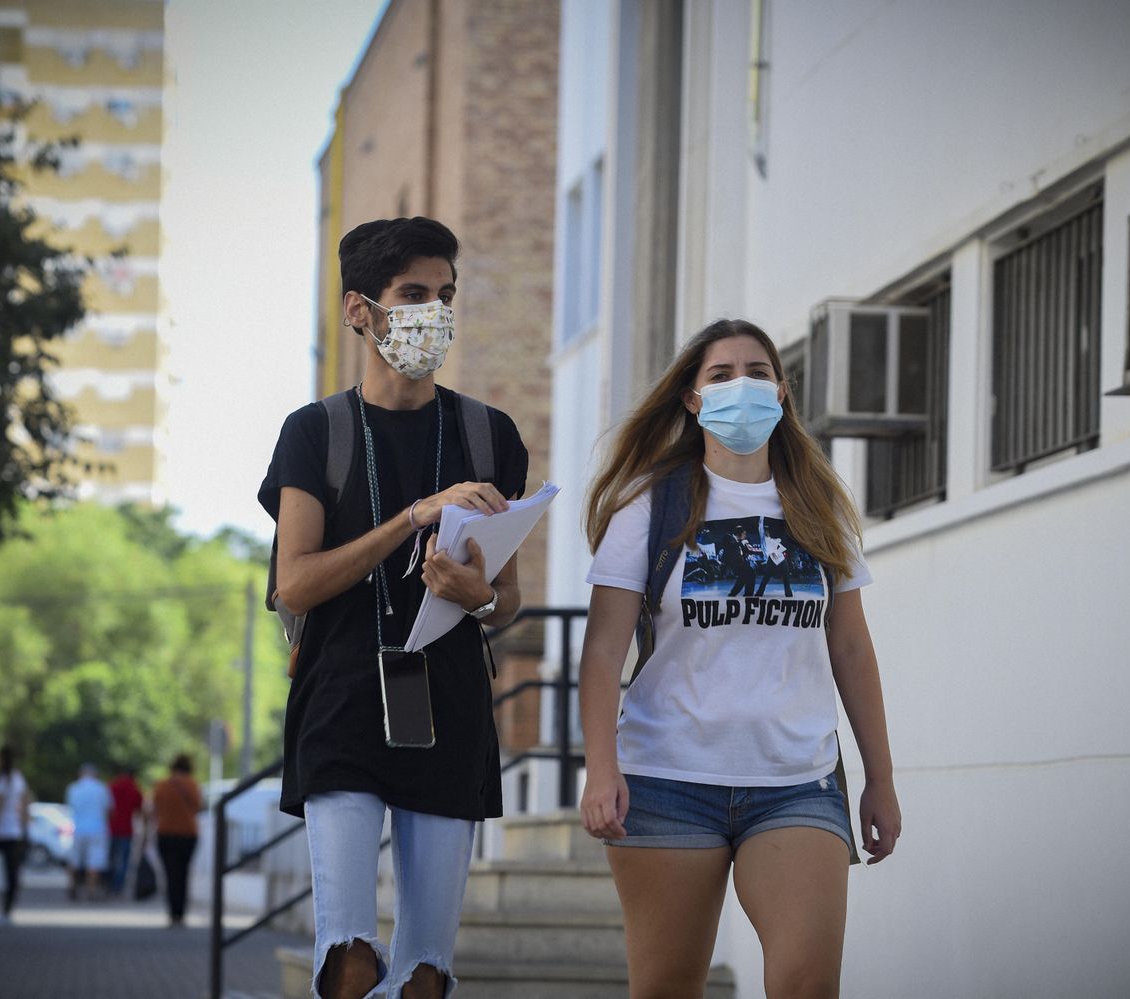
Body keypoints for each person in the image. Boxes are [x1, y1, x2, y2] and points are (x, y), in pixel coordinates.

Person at [577, 318, 902, 997]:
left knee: (807, 983)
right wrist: (601, 767)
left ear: (782, 393)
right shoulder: (648, 504)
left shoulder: (818, 505)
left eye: (757, 371)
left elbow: (850, 647)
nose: (741, 385)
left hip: (796, 781)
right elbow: (603, 651)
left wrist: (881, 776)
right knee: (667, 986)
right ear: (692, 399)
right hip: (667, 780)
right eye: (720, 375)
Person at [257, 217, 528, 999]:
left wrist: (481, 598)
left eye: (445, 295)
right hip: (342, 699)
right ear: (359, 310)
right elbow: (294, 584)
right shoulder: (317, 432)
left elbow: (506, 596)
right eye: (412, 294)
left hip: (448, 702)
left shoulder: (488, 434)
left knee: (423, 975)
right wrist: (412, 517)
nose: (433, 313)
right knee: (348, 957)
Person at [150, 754, 201, 928]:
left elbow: (155, 809)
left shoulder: (162, 785)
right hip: (188, 834)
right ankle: (181, 913)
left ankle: (173, 914)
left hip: (166, 834)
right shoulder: (192, 784)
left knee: (171, 875)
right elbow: (197, 807)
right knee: (184, 874)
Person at [0, 745, 32, 924]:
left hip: (3, 832)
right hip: (14, 831)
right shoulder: (17, 778)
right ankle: (6, 909)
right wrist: (23, 828)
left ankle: (4, 910)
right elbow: (25, 805)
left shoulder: (1, 781)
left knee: (5, 873)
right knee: (12, 873)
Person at [65, 763, 111, 900]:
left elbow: (70, 807)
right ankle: (91, 890)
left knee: (74, 859)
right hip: (97, 828)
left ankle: (72, 885)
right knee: (94, 861)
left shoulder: (73, 788)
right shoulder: (101, 788)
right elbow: (108, 809)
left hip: (78, 828)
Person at [106, 765, 144, 897]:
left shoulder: (112, 786)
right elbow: (139, 811)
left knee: (110, 857)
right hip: (126, 829)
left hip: (111, 828)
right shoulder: (135, 789)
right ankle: (118, 886)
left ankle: (107, 884)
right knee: (124, 860)